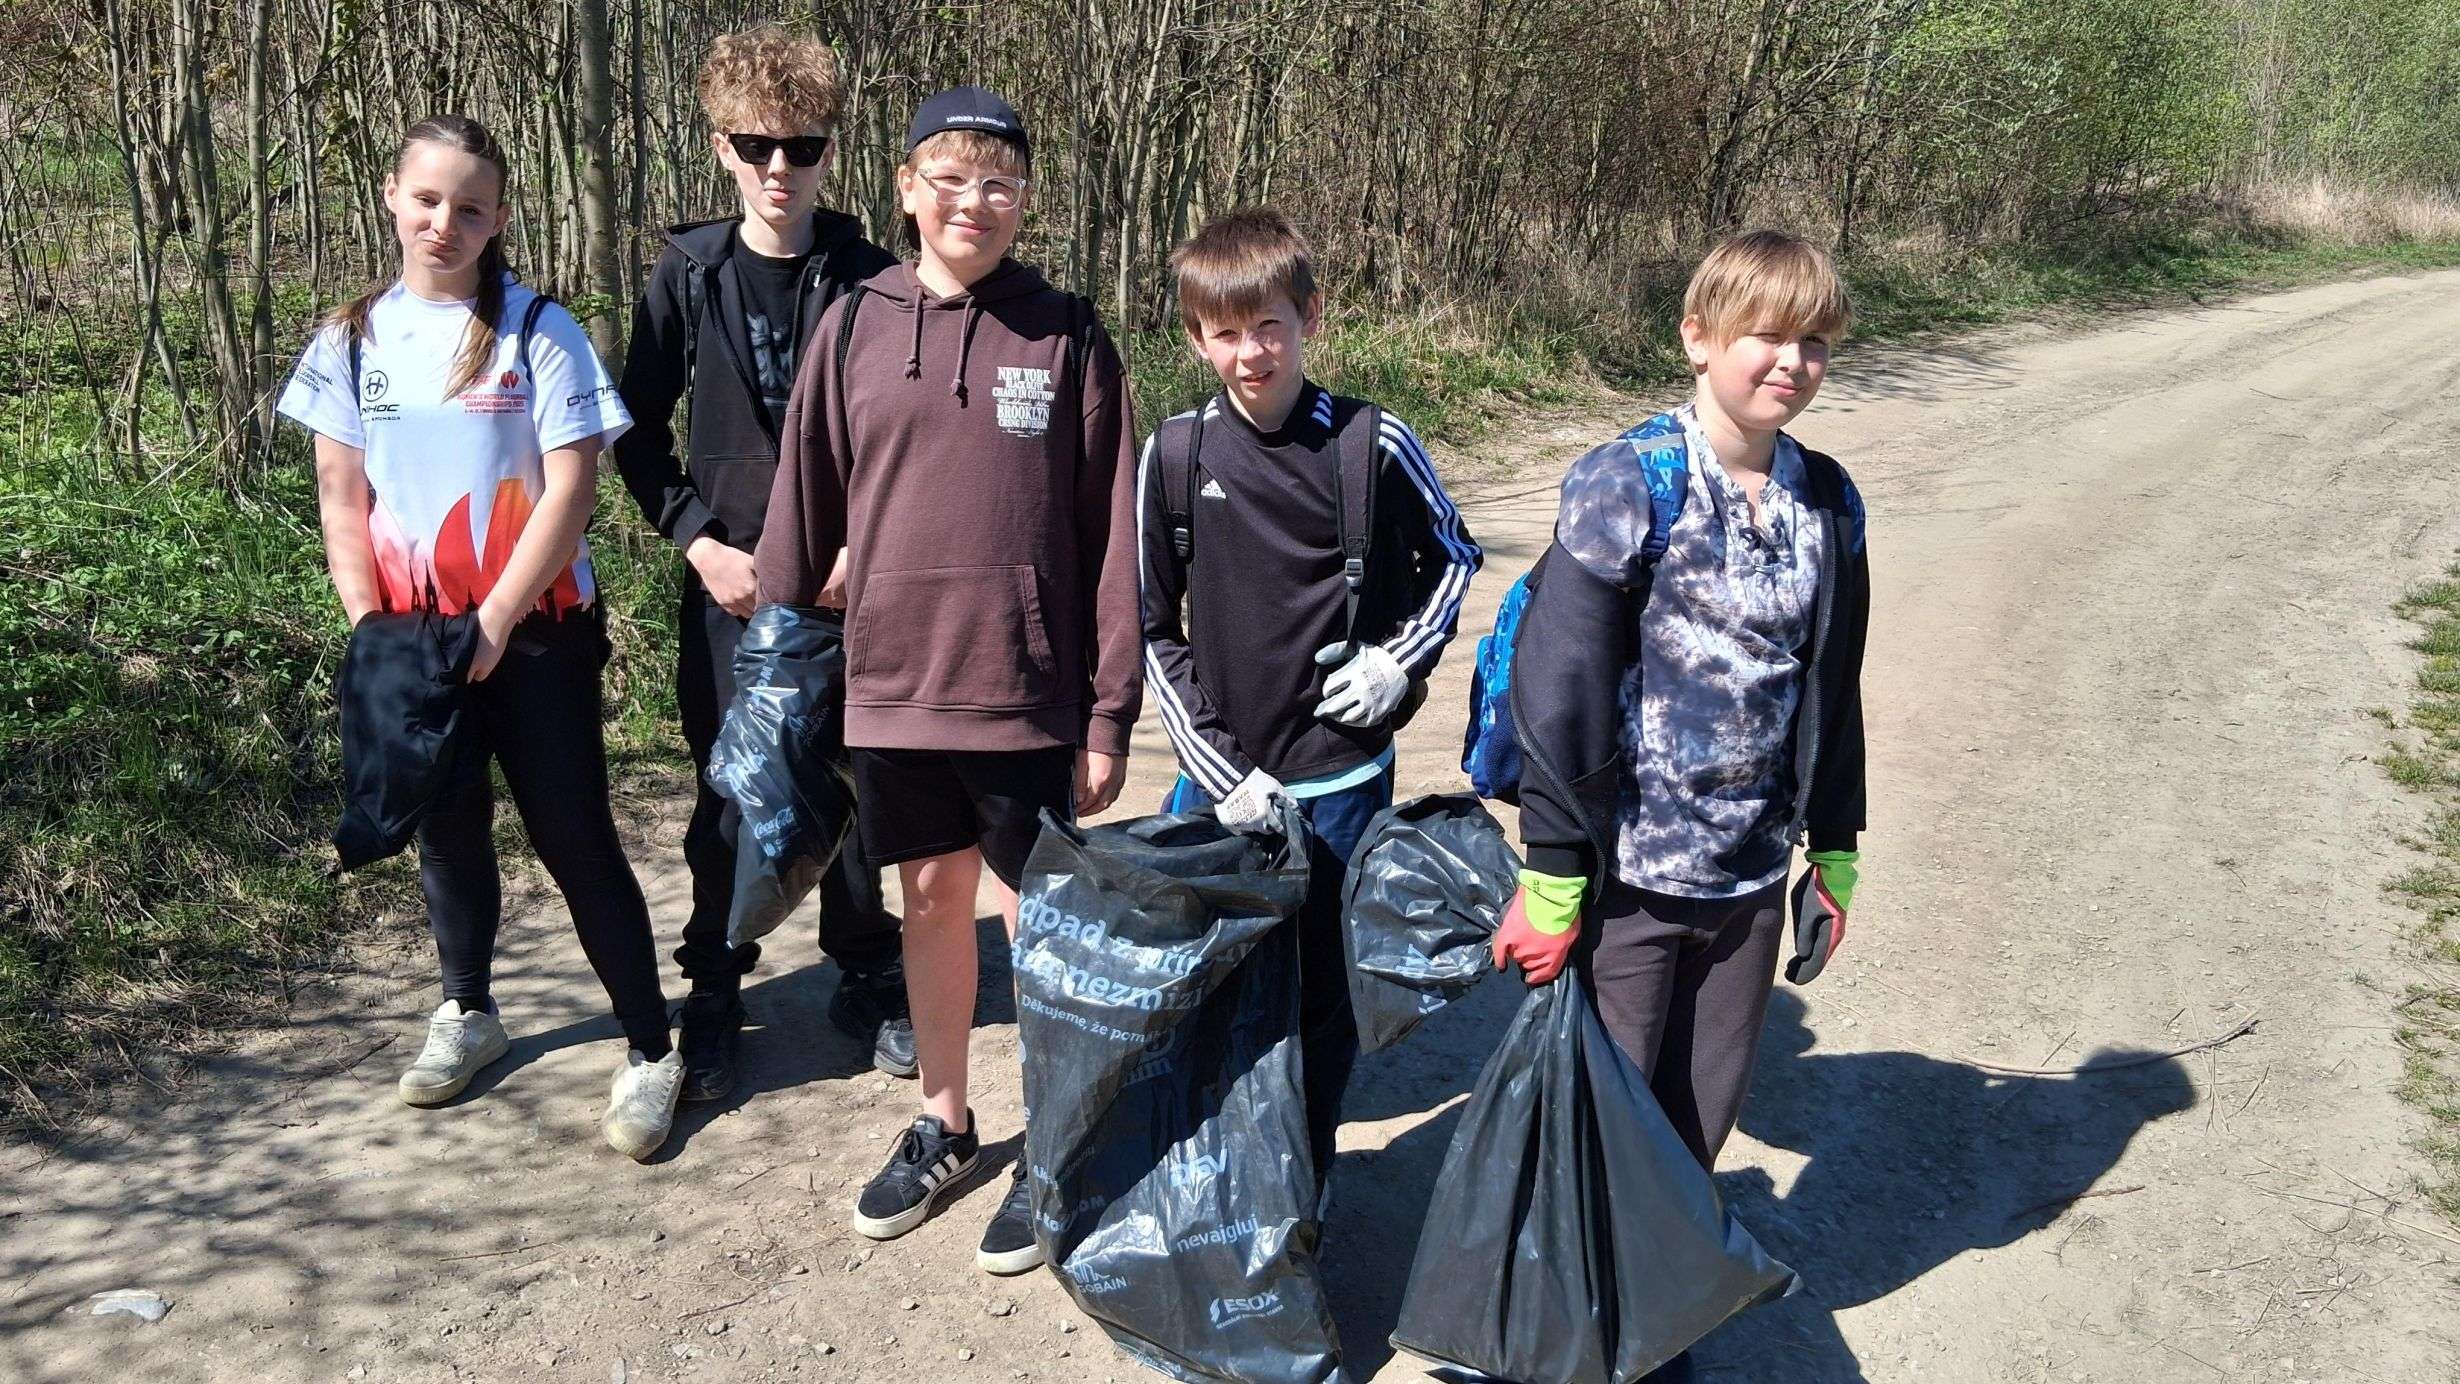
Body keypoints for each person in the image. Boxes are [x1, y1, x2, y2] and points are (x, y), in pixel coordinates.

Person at [755, 87, 1141, 1275]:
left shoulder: (1067, 334)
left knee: (1039, 919)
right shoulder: (855, 324)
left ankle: (1057, 1141)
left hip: (1025, 687)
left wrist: (1108, 709)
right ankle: (945, 1120)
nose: (976, 203)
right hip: (895, 683)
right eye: (953, 180)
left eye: (1000, 185)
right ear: (909, 190)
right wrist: (783, 625)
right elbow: (803, 495)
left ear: (1024, 202)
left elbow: (1112, 533)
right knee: (928, 899)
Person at [1491, 229, 1870, 1382]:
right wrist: (1554, 874)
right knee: (1602, 1129)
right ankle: (1574, 1336)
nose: (1792, 361)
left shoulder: (1829, 500)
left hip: (1748, 885)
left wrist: (1835, 849)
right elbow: (1560, 686)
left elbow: (1834, 682)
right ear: (1698, 338)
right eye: (1767, 334)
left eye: (1814, 341)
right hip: (1629, 886)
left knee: (1695, 1126)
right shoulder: (1630, 481)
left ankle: (1650, 1331)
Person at [277, 115, 682, 1160]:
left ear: (498, 218)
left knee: (573, 834)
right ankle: (468, 1008)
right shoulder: (350, 338)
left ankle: (650, 1047)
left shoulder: (539, 329)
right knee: (446, 829)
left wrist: (497, 619)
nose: (443, 223)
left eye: (469, 207)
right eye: (426, 200)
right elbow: (339, 494)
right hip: (411, 633)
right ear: (391, 196)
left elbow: (571, 490)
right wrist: (371, 630)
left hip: (535, 631)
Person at [1139, 207, 1481, 1185]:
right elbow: (1152, 627)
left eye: (1271, 326)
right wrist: (1221, 773)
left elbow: (1453, 558)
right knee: (1215, 981)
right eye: (1226, 332)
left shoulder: (1372, 443)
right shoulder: (1176, 454)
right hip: (1227, 786)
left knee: (1324, 984)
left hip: (1344, 779)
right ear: (1196, 338)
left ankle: (1306, 1175)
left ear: (1311, 317)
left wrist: (1395, 662)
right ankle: (1213, 1174)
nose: (1252, 352)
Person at [615, 23, 911, 1103]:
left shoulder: (877, 279)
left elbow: (910, 442)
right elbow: (633, 430)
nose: (779, 168)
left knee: (857, 784)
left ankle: (867, 970)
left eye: (803, 146)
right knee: (729, 791)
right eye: (756, 146)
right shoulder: (688, 274)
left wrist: (861, 551)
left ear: (832, 150)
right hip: (730, 590)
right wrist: (701, 544)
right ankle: (715, 982)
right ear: (722, 149)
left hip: (851, 589)